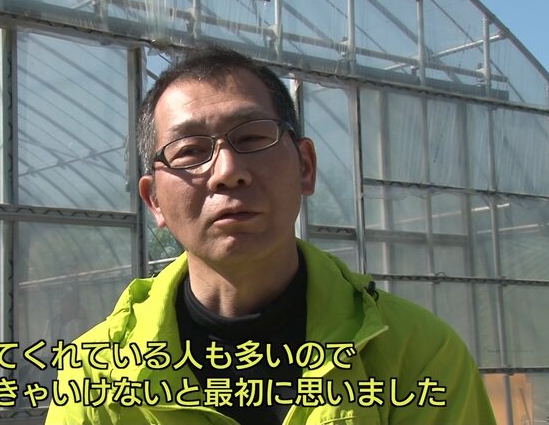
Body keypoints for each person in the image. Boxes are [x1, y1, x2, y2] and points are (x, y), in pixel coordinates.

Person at [45, 46, 496, 424]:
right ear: (155, 200)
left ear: (305, 167)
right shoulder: (98, 374)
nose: (227, 171)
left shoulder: (415, 352)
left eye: (252, 138)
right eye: (190, 150)